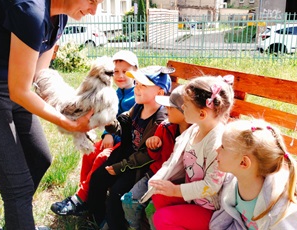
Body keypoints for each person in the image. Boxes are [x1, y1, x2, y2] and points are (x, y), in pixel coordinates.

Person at [0, 0, 103, 229]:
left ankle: (18, 222)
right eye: (92, 0)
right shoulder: (30, 10)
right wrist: (68, 123)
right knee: (17, 185)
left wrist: (72, 108)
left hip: (10, 80)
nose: (94, 11)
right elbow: (20, 91)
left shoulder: (61, 15)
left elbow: (39, 73)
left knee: (38, 159)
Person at [50, 50, 138, 216]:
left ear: (136, 71)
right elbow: (106, 119)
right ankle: (84, 194)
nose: (120, 76)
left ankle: (81, 199)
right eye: (115, 72)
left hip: (127, 145)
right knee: (89, 155)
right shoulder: (114, 92)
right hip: (113, 139)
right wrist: (107, 134)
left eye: (125, 71)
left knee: (101, 157)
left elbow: (127, 125)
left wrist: (112, 134)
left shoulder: (137, 96)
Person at [141, 75, 235, 230]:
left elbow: (212, 186)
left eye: (185, 105)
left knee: (162, 218)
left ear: (202, 114)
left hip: (211, 210)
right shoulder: (195, 129)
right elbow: (175, 159)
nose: (182, 107)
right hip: (195, 199)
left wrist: (175, 190)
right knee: (159, 194)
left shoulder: (216, 143)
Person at [86, 66, 173, 229]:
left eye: (143, 85)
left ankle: (115, 226)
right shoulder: (138, 107)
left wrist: (121, 166)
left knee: (116, 193)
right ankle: (98, 218)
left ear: (160, 93)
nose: (137, 88)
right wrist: (111, 124)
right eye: (137, 83)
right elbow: (122, 126)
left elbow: (147, 155)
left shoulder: (160, 120)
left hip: (139, 167)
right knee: (98, 177)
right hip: (125, 154)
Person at [210, 119, 297, 229]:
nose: (217, 149)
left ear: (244, 163)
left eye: (223, 147)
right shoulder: (233, 185)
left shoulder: (279, 206)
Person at [121, 85, 191, 230]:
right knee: (129, 201)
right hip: (155, 175)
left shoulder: (196, 134)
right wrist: (154, 147)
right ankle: (134, 226)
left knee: (152, 210)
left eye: (171, 107)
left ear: (185, 112)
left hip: (177, 182)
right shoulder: (165, 127)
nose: (166, 110)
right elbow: (154, 156)